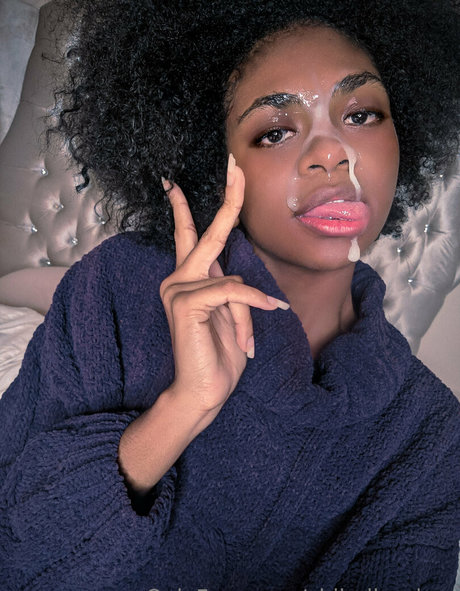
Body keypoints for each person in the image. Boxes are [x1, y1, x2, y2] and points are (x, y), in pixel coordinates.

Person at [1, 0, 459, 589]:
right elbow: (15, 553)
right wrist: (182, 408)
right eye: (275, 131)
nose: (332, 153)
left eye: (362, 114)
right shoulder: (113, 291)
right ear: (215, 160)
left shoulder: (428, 435)